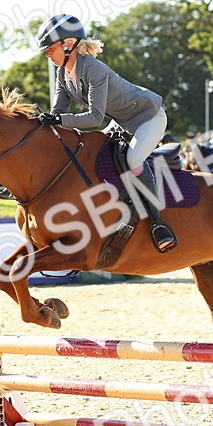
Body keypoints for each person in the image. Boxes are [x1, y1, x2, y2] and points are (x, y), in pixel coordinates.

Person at [34, 13, 177, 252]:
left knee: (133, 159)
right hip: (122, 120)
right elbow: (58, 114)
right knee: (97, 152)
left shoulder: (93, 69)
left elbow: (95, 118)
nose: (48, 54)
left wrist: (58, 119)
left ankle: (157, 222)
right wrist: (40, 127)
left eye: (50, 49)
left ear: (68, 44)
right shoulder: (62, 74)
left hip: (148, 116)